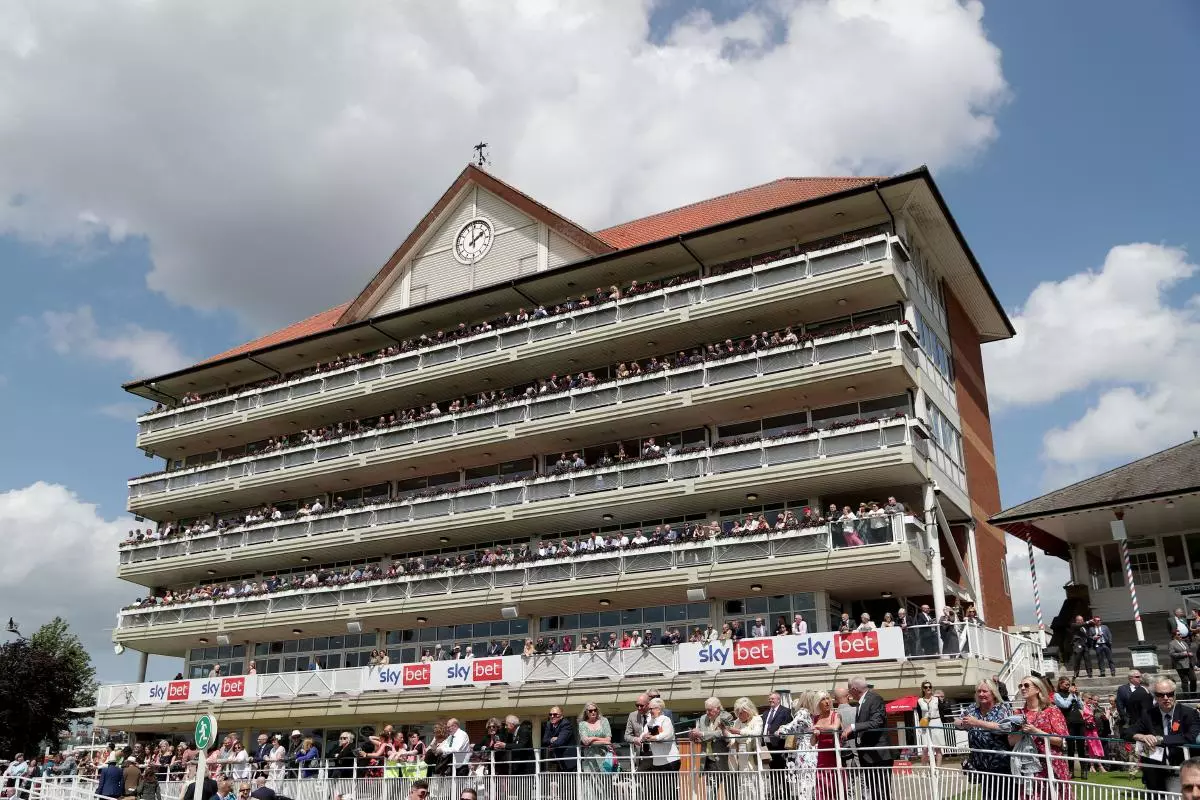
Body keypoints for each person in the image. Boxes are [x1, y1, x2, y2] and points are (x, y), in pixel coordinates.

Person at [1124, 677, 1200, 794]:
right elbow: (1126, 732)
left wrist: (1159, 739)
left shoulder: (1189, 713)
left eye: (1169, 694)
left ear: (1174, 694)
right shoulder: (1148, 714)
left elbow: (1190, 737)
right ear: (1155, 696)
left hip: (1181, 769)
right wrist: (1141, 737)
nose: (1166, 698)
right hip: (1156, 771)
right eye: (1161, 695)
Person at [1009, 675, 1069, 795]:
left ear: (1037, 689)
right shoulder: (1018, 713)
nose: (1022, 688)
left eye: (1026, 685)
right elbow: (1011, 741)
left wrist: (1036, 731)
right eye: (1020, 686)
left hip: (1052, 764)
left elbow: (1060, 741)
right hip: (1028, 767)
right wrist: (1022, 732)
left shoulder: (1052, 711)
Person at [955, 678, 1012, 800]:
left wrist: (977, 723)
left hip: (1000, 763)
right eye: (979, 691)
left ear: (993, 693)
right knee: (987, 795)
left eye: (985, 691)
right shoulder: (972, 708)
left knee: (1004, 795)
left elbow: (1004, 727)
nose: (981, 694)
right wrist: (963, 724)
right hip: (980, 764)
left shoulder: (1002, 707)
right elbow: (957, 721)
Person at [842, 677, 894, 800]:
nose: (849, 693)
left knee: (881, 792)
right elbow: (864, 728)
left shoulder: (874, 698)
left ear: (854, 689)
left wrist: (853, 727)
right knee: (874, 791)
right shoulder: (862, 702)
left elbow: (877, 722)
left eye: (849, 690)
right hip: (868, 756)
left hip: (879, 755)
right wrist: (846, 735)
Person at [689, 698, 734, 800]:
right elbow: (699, 735)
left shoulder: (727, 716)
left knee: (730, 788)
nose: (707, 712)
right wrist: (693, 735)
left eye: (709, 710)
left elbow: (721, 733)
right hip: (708, 759)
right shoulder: (702, 718)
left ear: (718, 709)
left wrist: (702, 734)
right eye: (706, 710)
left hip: (724, 759)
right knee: (710, 790)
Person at [637, 698, 679, 797]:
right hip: (657, 761)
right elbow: (643, 734)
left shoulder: (665, 719)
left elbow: (667, 735)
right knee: (659, 790)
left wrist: (653, 738)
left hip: (670, 760)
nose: (649, 711)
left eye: (651, 709)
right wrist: (643, 737)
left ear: (659, 709)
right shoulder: (650, 722)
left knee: (670, 790)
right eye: (649, 709)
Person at [1052, 676, 1087, 779]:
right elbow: (1065, 705)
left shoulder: (1073, 694)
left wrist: (1077, 696)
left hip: (1079, 722)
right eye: (1066, 684)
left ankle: (1084, 770)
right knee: (1070, 747)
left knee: (1081, 747)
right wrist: (1071, 695)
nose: (1068, 686)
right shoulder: (1057, 695)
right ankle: (1071, 770)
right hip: (1069, 723)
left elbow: (1081, 706)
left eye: (1069, 684)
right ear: (1060, 684)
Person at [578, 703, 613, 800]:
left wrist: (593, 738)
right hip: (590, 759)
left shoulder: (604, 721)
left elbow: (608, 740)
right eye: (590, 711)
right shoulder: (582, 724)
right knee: (589, 786)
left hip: (604, 757)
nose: (593, 712)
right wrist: (603, 741)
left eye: (595, 710)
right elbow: (585, 741)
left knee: (605, 784)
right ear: (586, 712)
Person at [762, 690, 793, 772]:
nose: (770, 700)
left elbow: (788, 726)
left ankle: (782, 779)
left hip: (779, 742)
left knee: (780, 764)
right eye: (769, 699)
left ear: (778, 700)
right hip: (767, 743)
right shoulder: (765, 713)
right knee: (771, 764)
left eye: (772, 699)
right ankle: (774, 779)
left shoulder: (785, 711)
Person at [915, 681, 944, 766]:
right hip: (925, 724)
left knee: (938, 748)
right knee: (925, 749)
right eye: (926, 687)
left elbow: (942, 712)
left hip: (936, 722)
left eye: (930, 687)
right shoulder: (919, 701)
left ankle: (937, 769)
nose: (928, 688)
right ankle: (925, 769)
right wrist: (921, 725)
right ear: (923, 689)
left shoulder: (937, 699)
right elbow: (920, 715)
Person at [623, 694, 653, 773]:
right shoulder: (632, 716)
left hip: (656, 752)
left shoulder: (655, 714)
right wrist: (635, 739)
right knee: (640, 778)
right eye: (637, 705)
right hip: (640, 754)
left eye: (641, 706)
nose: (639, 708)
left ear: (648, 704)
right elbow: (626, 736)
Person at [542, 706, 576, 772]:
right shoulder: (549, 724)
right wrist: (552, 739)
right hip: (558, 759)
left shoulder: (566, 724)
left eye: (555, 714)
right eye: (550, 714)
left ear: (561, 716)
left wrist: (551, 746)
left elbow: (560, 741)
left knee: (571, 778)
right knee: (560, 777)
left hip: (569, 759)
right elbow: (544, 740)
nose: (552, 716)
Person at [1169, 627, 1197, 693]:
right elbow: (1172, 654)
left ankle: (1193, 694)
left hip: (1189, 664)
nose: (1180, 635)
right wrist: (1182, 654)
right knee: (1185, 681)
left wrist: (1190, 654)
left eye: (1180, 634)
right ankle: (1186, 695)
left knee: (1193, 679)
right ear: (1174, 636)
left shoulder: (1184, 643)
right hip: (1180, 665)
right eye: (1178, 634)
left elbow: (1188, 651)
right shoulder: (1172, 643)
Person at [1068, 614, 1093, 679]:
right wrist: (1087, 622)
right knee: (1077, 660)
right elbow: (1079, 625)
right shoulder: (1074, 625)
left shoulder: (1084, 628)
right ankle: (1076, 673)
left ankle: (1089, 673)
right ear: (1077, 620)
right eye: (1080, 620)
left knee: (1087, 660)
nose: (1082, 621)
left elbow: (1087, 636)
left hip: (1085, 645)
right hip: (1078, 645)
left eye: (1082, 620)